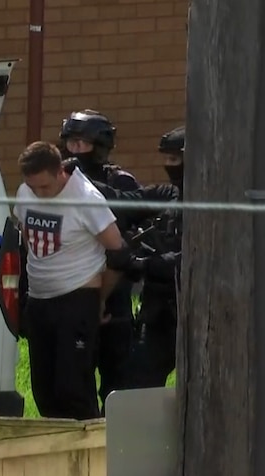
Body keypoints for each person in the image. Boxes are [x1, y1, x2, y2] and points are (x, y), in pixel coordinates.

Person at [13, 141, 125, 420]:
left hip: (77, 298)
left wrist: (99, 298)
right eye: (33, 187)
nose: (39, 194)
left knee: (72, 387)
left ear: (60, 171)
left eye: (45, 187)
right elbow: (28, 238)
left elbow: (117, 249)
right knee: (43, 390)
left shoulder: (85, 198)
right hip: (40, 300)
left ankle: (91, 451)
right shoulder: (25, 192)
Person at [58, 109, 140, 412]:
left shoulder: (121, 183)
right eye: (72, 143)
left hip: (113, 291)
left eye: (83, 143)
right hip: (75, 291)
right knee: (75, 380)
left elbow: (125, 230)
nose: (76, 150)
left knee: (117, 379)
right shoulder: (59, 183)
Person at [105, 125, 185, 389]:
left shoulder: (215, 205)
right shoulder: (169, 196)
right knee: (136, 382)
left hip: (196, 312)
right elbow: (124, 201)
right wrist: (78, 180)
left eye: (174, 160)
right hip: (158, 312)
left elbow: (192, 260)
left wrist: (143, 265)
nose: (167, 166)